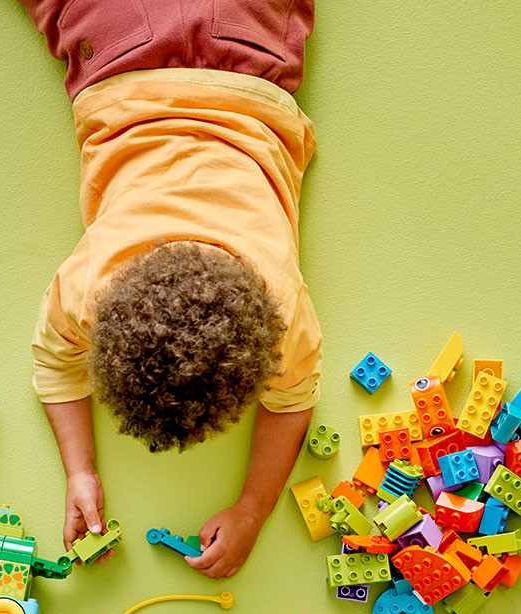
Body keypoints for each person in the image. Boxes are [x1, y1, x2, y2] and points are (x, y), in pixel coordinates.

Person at [22, 1, 320, 578]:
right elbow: (55, 368)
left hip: (249, 66)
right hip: (121, 63)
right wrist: (251, 511)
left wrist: (252, 510)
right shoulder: (90, 285)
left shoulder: (282, 312)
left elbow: (292, 402)